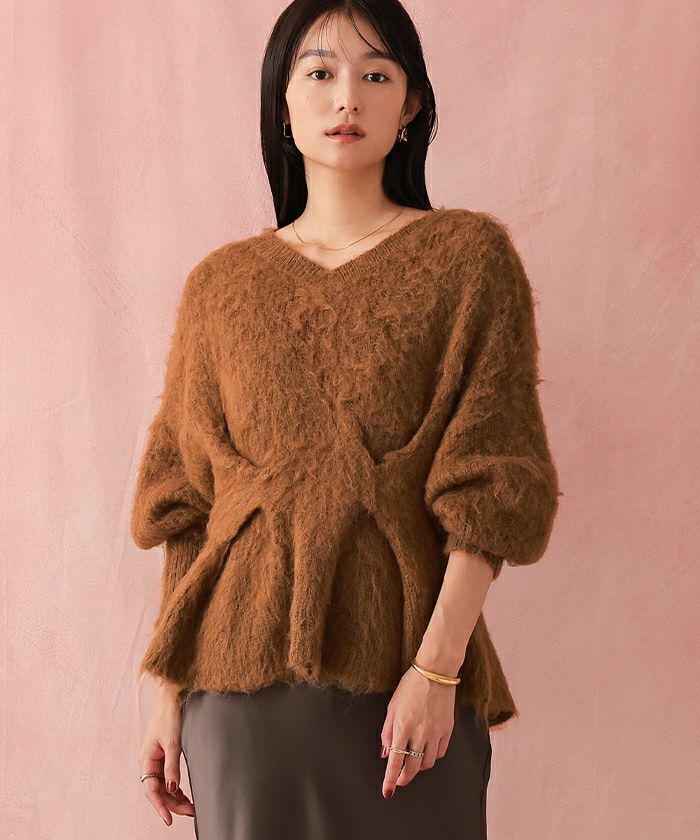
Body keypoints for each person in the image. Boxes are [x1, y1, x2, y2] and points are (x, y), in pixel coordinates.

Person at [132, 2, 561, 838]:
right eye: (321, 73)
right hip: (238, 700)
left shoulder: (469, 260)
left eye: (376, 74)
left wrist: (437, 672)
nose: (347, 98)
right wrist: (167, 695)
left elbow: (494, 485)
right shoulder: (221, 285)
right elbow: (186, 507)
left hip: (410, 692)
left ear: (411, 106)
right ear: (282, 105)